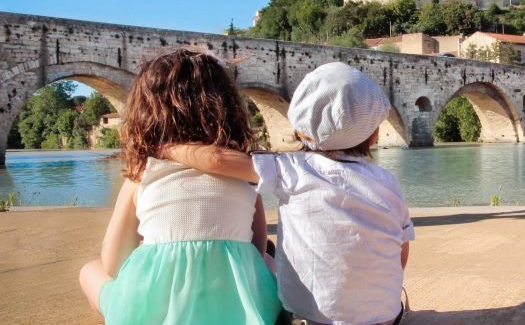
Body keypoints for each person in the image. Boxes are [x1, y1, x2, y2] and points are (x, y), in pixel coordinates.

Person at [165, 62, 414, 325]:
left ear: (299, 127)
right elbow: (401, 249)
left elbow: (216, 160)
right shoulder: (388, 181)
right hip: (384, 316)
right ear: (374, 135)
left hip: (313, 316)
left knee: (268, 258)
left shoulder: (291, 169)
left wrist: (166, 148)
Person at [78, 49, 283, 324]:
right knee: (270, 262)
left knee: (90, 271)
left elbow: (113, 262)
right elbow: (256, 253)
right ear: (228, 108)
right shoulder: (243, 175)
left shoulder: (142, 174)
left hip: (153, 314)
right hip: (239, 310)